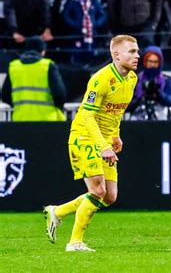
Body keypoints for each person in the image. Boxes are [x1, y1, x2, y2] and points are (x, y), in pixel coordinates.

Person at [43, 35, 139, 252]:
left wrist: (115, 136)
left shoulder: (132, 78)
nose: (137, 56)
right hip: (84, 135)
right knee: (97, 190)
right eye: (131, 51)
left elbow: (115, 113)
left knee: (110, 196)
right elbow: (87, 116)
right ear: (116, 55)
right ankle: (75, 242)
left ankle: (57, 212)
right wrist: (102, 146)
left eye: (137, 51)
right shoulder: (101, 79)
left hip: (105, 138)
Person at [1, 37, 66, 121]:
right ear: (43, 51)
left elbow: (5, 96)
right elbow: (59, 95)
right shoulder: (48, 66)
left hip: (20, 120)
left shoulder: (14, 67)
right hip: (48, 121)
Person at [62, 0, 107, 64]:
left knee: (91, 56)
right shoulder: (72, 1)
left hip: (92, 35)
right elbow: (66, 15)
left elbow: (102, 14)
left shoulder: (94, 1)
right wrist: (74, 24)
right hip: (77, 35)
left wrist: (96, 24)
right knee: (77, 56)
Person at [129, 45, 171, 120]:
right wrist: (140, 97)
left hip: (161, 118)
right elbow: (126, 105)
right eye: (150, 61)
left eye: (156, 62)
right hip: (138, 117)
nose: (152, 64)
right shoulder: (135, 79)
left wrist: (159, 93)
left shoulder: (167, 80)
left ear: (160, 63)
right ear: (145, 61)